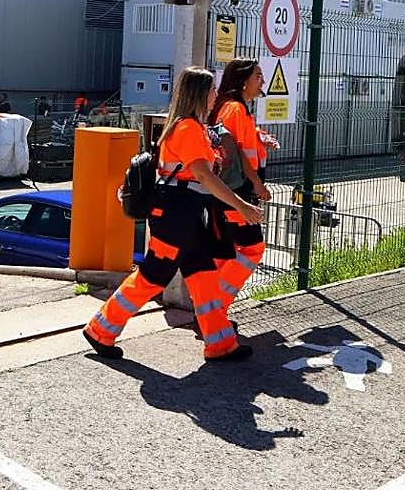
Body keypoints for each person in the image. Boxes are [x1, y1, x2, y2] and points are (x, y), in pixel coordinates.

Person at [83, 66, 263, 363]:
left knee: (203, 276)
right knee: (154, 276)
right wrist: (242, 206)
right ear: (200, 94)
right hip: (176, 214)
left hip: (182, 214)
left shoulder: (187, 126)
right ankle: (100, 329)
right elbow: (204, 177)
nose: (216, 96)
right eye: (212, 91)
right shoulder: (188, 128)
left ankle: (220, 344)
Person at [208, 59, 272, 314]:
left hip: (234, 189)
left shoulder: (235, 108)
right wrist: (257, 184)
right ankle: (214, 308)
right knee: (252, 248)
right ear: (244, 80)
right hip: (238, 190)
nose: (263, 81)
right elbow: (238, 153)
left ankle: (212, 308)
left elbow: (240, 144)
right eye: (258, 76)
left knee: (227, 252)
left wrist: (259, 138)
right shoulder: (234, 109)